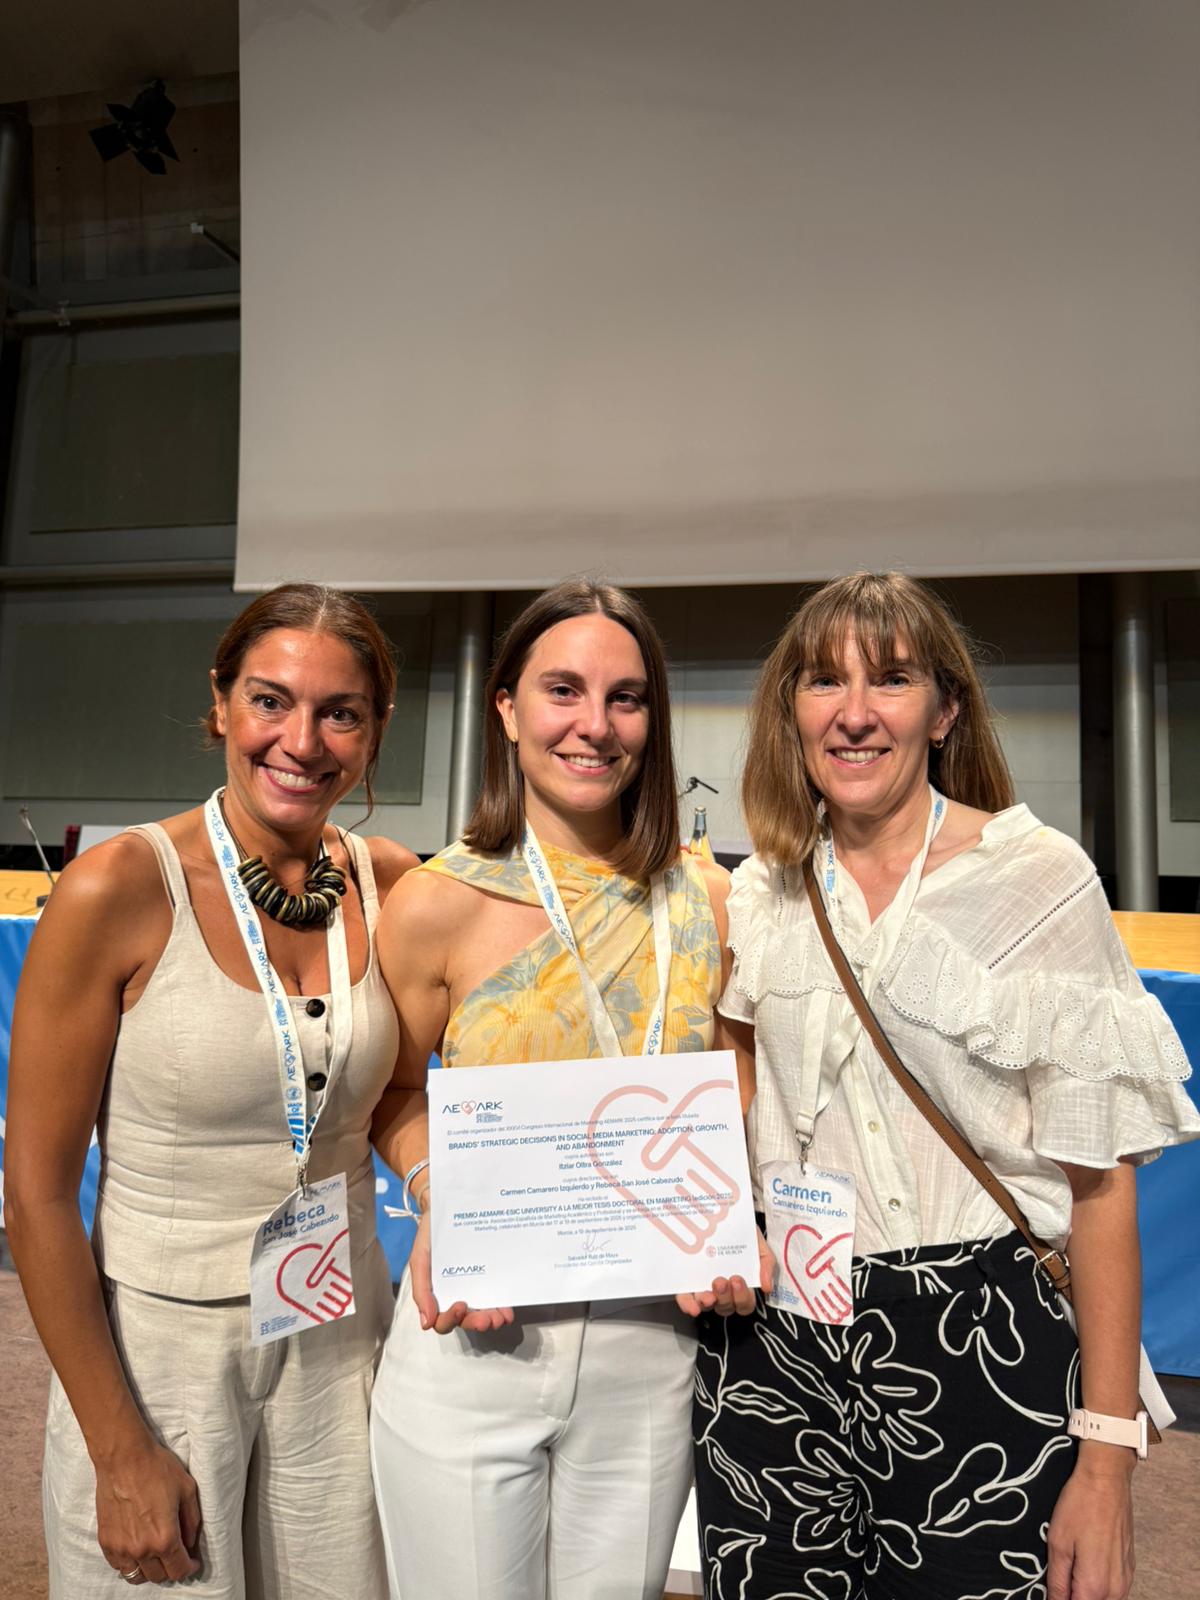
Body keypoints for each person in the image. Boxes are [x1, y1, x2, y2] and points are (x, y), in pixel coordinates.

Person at [692, 571, 1200, 1600]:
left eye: (891, 679)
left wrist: (1106, 1459)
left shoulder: (1038, 880)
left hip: (985, 1340)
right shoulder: (762, 891)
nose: (855, 712)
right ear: (792, 711)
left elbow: (1100, 1188)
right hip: (777, 1345)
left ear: (945, 710)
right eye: (824, 681)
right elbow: (729, 1082)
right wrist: (721, 1222)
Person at [3, 583, 419, 1597]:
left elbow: (403, 1099)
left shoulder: (394, 884)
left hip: (343, 1341)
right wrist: (118, 1450)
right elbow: (37, 1194)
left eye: (339, 712)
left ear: (375, 730)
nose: (301, 741)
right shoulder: (117, 888)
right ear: (222, 702)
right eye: (271, 700)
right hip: (160, 1357)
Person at [369, 578, 769, 1600]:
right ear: (507, 708)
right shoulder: (436, 902)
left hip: (652, 1337)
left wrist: (734, 1223)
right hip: (479, 1332)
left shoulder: (711, 900)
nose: (595, 724)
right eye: (563, 690)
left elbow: (737, 1095)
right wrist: (438, 1194)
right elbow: (393, 1093)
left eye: (625, 698)